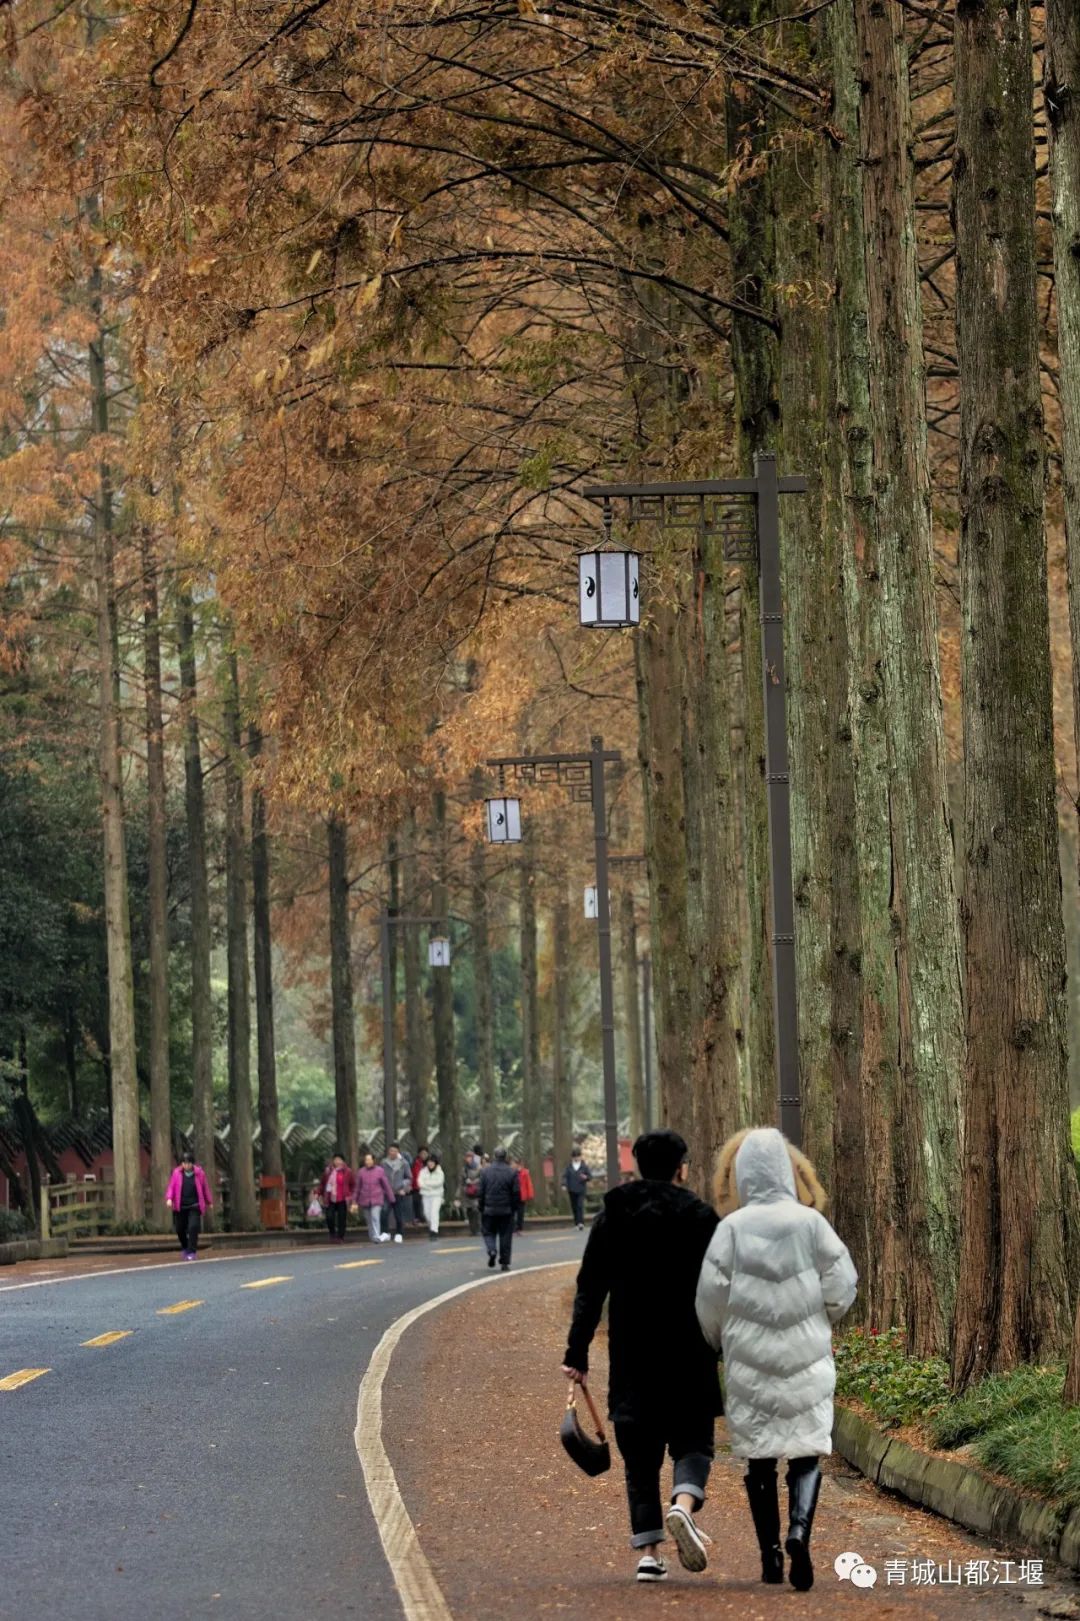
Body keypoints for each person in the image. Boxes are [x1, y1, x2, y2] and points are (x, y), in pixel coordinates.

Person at [695, 1127, 858, 1593]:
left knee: (760, 1460)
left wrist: (719, 1340)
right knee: (807, 1450)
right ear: (788, 1170)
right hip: (807, 1354)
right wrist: (825, 1315)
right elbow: (842, 1280)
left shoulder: (731, 1229)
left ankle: (770, 1556)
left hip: (749, 1358)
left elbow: (710, 1298)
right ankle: (799, 1532)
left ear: (743, 1174)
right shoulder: (810, 1224)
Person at [562, 1130, 720, 1585]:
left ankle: (649, 1552)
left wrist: (577, 1352)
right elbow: (720, 1286)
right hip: (690, 1347)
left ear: (636, 1164)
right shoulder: (699, 1215)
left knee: (640, 1451)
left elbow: (590, 1288)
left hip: (632, 1351)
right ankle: (684, 1505)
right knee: (693, 1438)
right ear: (681, 1168)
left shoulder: (613, 1213)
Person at [165, 1149, 213, 1260]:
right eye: (184, 1163)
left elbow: (205, 1188)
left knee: (193, 1227)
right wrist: (169, 1198)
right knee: (180, 1229)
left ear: (192, 1163)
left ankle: (192, 1251)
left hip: (194, 1205)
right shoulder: (176, 1173)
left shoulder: (199, 1174)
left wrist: (209, 1201)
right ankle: (185, 1247)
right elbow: (171, 1187)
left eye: (188, 1163)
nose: (186, 1165)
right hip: (180, 1205)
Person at [477, 1146, 520, 1271]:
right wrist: (514, 1208)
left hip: (489, 1209)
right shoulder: (511, 1172)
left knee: (488, 1232)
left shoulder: (485, 1172)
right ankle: (505, 1262)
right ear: (505, 1156)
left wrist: (481, 1206)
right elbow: (516, 1193)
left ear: (494, 1156)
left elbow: (481, 1192)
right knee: (505, 1236)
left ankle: (491, 1250)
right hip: (506, 1209)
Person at [351, 1152, 395, 1243]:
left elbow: (386, 1185)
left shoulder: (380, 1171)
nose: (367, 1162)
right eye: (366, 1160)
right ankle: (372, 1236)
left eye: (369, 1160)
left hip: (377, 1199)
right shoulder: (361, 1172)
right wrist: (354, 1200)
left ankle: (376, 1236)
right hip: (365, 1199)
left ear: (373, 1160)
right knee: (369, 1219)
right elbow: (357, 1187)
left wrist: (391, 1198)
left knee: (375, 1217)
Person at [319, 1151, 356, 1243]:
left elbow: (353, 1184)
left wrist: (350, 1195)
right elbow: (323, 1184)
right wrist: (318, 1193)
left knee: (342, 1218)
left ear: (343, 1161)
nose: (338, 1162)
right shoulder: (328, 1171)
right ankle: (332, 1234)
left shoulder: (347, 1172)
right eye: (336, 1160)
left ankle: (340, 1237)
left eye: (340, 1160)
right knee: (329, 1216)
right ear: (333, 1161)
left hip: (342, 1198)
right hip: (330, 1198)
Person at [381, 1143, 411, 1244]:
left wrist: (403, 1186)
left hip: (398, 1192)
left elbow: (409, 1178)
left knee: (398, 1214)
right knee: (384, 1212)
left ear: (398, 1152)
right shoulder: (384, 1162)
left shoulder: (404, 1163)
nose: (392, 1152)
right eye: (391, 1150)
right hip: (387, 1192)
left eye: (394, 1150)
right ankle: (385, 1232)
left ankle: (399, 1234)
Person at [562, 1147, 591, 1229]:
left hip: (581, 1188)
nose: (576, 1158)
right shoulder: (569, 1167)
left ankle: (581, 1223)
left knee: (580, 1205)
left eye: (578, 1156)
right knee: (574, 1206)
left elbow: (590, 1176)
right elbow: (565, 1176)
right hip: (571, 1189)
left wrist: (586, 1177)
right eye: (575, 1157)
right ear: (572, 1157)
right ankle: (576, 1223)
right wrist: (564, 1184)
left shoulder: (584, 1166)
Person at [419, 1153, 446, 1238]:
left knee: (434, 1212)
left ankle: (434, 1231)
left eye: (432, 1162)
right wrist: (428, 1186)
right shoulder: (423, 1171)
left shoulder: (440, 1172)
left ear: (435, 1163)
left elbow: (438, 1183)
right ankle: (432, 1226)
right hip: (425, 1195)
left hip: (436, 1195)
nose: (430, 1164)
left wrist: (427, 1184)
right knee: (427, 1213)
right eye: (429, 1162)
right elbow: (420, 1182)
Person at [462, 1145, 483, 1236]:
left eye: (470, 1157)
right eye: (467, 1157)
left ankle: (478, 1228)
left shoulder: (478, 1167)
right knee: (469, 1211)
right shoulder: (464, 1168)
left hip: (475, 1191)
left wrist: (474, 1181)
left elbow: (482, 1177)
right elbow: (461, 1180)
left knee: (476, 1210)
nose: (468, 1159)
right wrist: (465, 1182)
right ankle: (472, 1229)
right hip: (467, 1191)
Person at [511, 1153, 534, 1233]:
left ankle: (519, 1227)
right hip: (513, 1194)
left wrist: (530, 1194)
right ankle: (513, 1228)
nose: (512, 1165)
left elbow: (529, 1184)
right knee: (512, 1212)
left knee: (520, 1212)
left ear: (517, 1164)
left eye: (513, 1163)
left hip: (521, 1194)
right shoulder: (510, 1172)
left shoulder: (525, 1172)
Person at [411, 1146, 430, 1223]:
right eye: (422, 1153)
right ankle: (418, 1217)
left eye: (425, 1154)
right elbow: (413, 1174)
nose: (424, 1155)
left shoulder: (430, 1163)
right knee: (416, 1202)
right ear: (419, 1154)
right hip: (417, 1186)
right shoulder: (415, 1162)